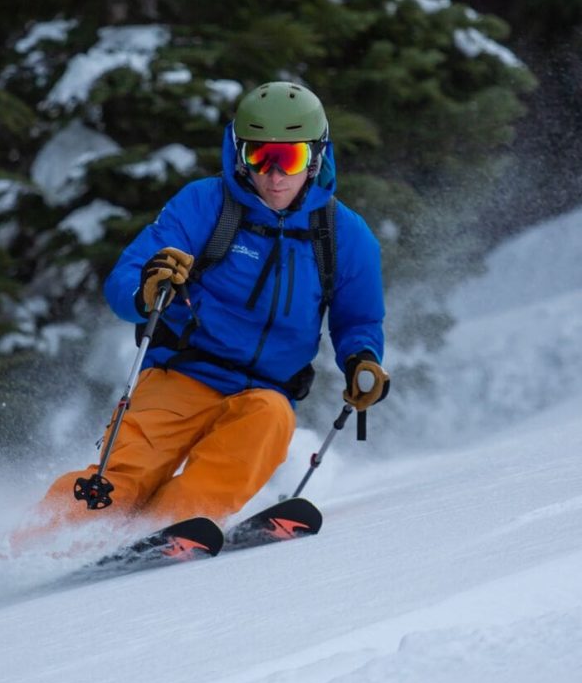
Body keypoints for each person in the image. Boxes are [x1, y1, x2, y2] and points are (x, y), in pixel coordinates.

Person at [28, 80, 388, 540]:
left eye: (290, 159)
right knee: (121, 477)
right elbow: (126, 278)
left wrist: (362, 358)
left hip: (265, 392)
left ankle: (166, 529)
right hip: (181, 373)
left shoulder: (344, 235)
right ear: (240, 154)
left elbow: (358, 319)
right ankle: (33, 548)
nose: (274, 176)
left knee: (266, 425)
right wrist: (148, 287)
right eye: (261, 157)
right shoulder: (206, 205)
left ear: (316, 157)